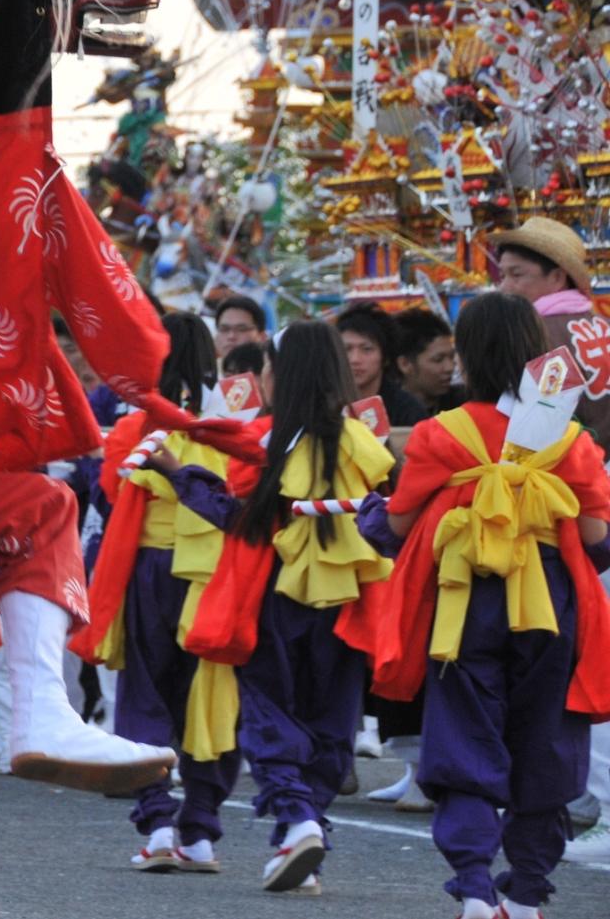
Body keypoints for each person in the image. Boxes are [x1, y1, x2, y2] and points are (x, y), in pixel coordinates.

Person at [373, 293, 610, 918]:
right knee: (548, 740)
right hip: (550, 605)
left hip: (466, 605)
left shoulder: (437, 434)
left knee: (464, 738)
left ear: (467, 357)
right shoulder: (571, 438)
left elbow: (395, 528)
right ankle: (527, 893)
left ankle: (476, 888)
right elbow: (595, 540)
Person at [152, 320, 397, 894]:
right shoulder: (366, 443)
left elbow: (237, 519)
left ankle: (296, 820)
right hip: (347, 600)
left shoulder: (268, 442)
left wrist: (178, 474)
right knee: (332, 716)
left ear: (279, 375)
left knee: (267, 711)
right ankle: (305, 827)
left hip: (274, 598)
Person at [75, 313, 242, 874]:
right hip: (215, 576)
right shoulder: (235, 429)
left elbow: (107, 492)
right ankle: (200, 833)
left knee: (145, 697)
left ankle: (160, 823)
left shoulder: (135, 427)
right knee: (211, 700)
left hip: (147, 572)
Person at [491, 216, 610, 445]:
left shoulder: (536, 335)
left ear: (557, 277)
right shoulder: (603, 323)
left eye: (517, 275)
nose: (504, 287)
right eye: (502, 276)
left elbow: (533, 436)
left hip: (576, 474)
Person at [336, 302, 428, 426]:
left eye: (367, 349)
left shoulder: (407, 411)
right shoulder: (324, 405)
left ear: (386, 358)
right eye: (347, 349)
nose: (355, 359)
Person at [394, 308, 463, 416]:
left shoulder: (463, 404)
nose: (450, 367)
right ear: (405, 364)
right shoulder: (387, 412)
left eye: (452, 357)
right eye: (438, 360)